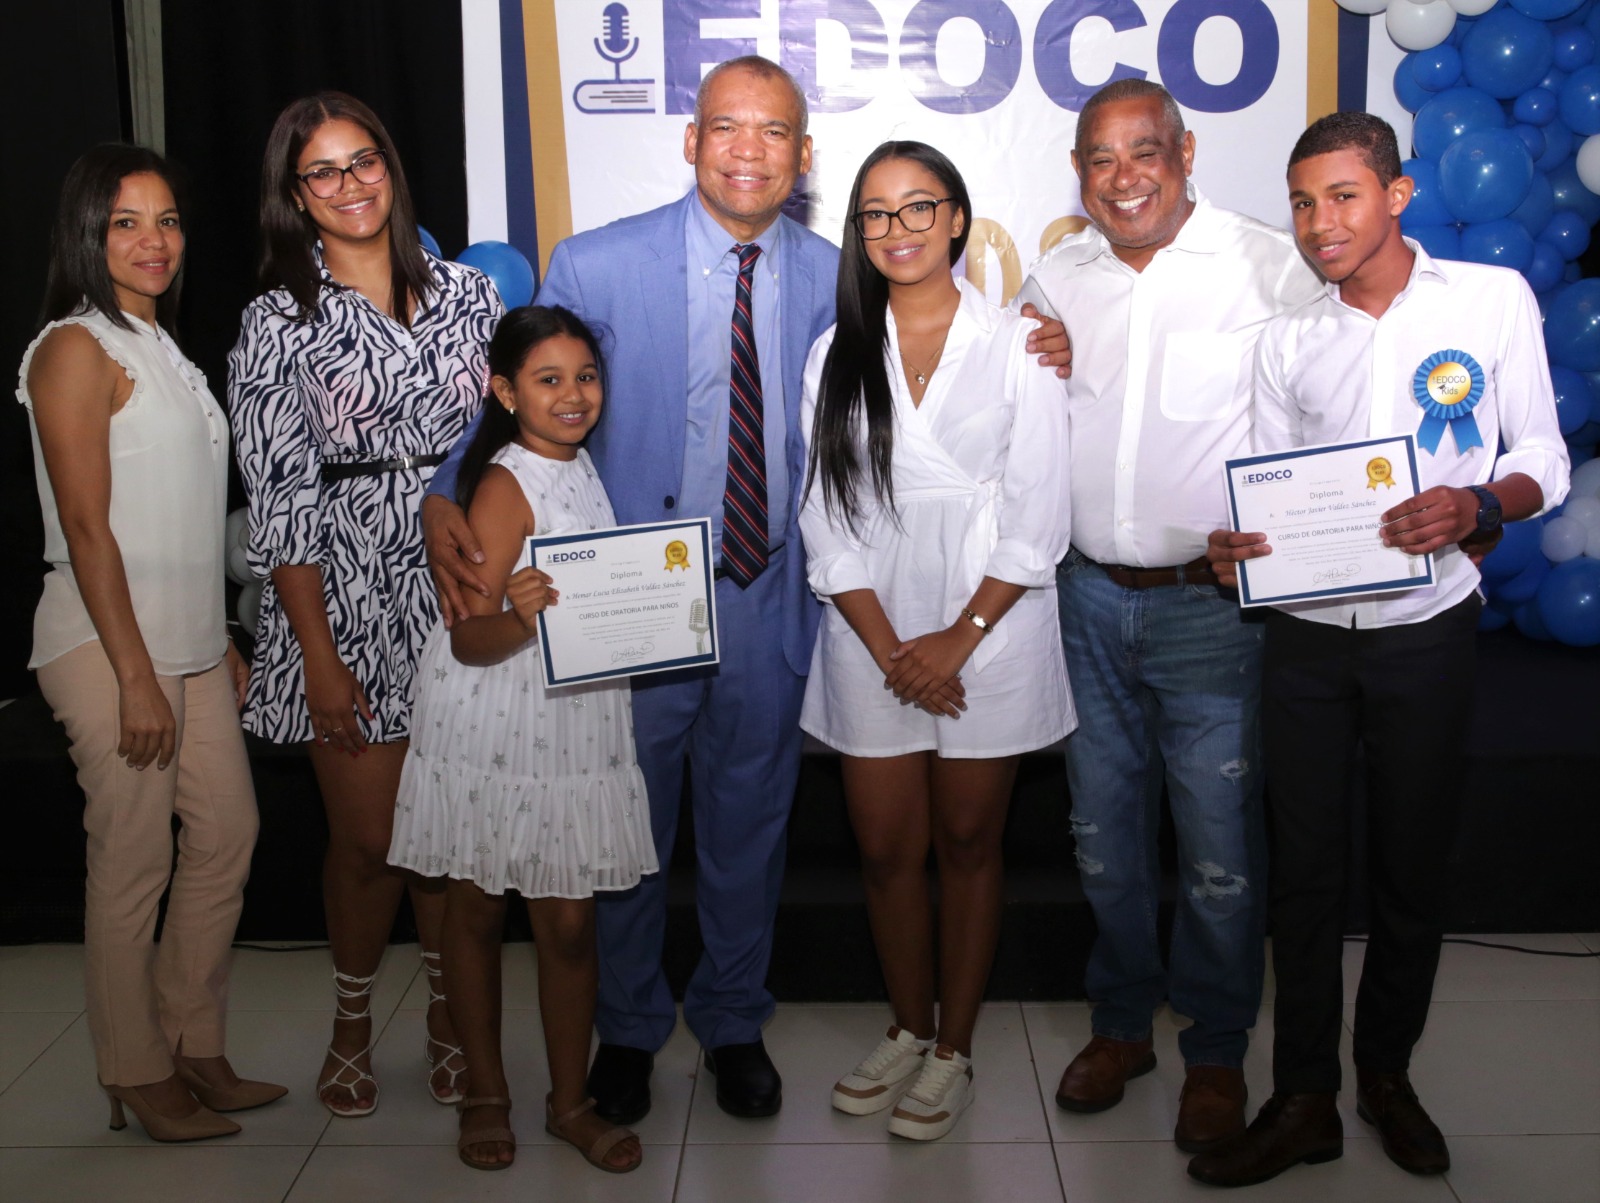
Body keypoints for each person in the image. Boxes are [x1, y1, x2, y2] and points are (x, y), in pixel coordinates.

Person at [423, 56, 1072, 1122]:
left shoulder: (842, 274)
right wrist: (445, 491)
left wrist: (1050, 336)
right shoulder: (597, 262)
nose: (747, 151)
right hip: (631, 601)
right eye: (727, 126)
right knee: (626, 828)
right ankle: (629, 1028)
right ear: (692, 140)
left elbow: (950, 346)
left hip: (773, 591)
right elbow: (526, 383)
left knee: (749, 829)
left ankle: (732, 1020)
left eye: (773, 132)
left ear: (803, 156)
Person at [1190, 112, 1570, 1188]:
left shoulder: (1489, 300)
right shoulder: (1286, 341)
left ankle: (1387, 1078)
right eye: (1302, 202)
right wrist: (1237, 551)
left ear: (1397, 196)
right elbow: (1267, 496)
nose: (1320, 222)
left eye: (1343, 195)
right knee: (1303, 880)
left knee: (1410, 869)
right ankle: (1303, 1097)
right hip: (1305, 644)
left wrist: (1477, 503)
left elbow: (1544, 457)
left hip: (1427, 632)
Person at [1014, 78, 1323, 1152]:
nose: (1123, 177)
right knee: (1101, 835)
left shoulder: (1268, 263)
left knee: (1217, 845)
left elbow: (1325, 409)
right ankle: (1120, 1025)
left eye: (1143, 151)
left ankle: (1217, 1047)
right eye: (1100, 159)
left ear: (1186, 154)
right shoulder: (1058, 276)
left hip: (1212, 609)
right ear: (1079, 174)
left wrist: (1294, 522)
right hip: (1085, 597)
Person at [229, 92, 500, 1117]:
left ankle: (447, 1014)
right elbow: (280, 502)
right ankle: (351, 1021)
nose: (349, 185)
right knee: (372, 841)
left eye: (364, 161)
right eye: (323, 171)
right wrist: (319, 656)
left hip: (462, 589)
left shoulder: (472, 296)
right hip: (341, 596)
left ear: (391, 166)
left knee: (454, 839)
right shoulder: (275, 321)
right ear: (295, 196)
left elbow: (516, 440)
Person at [801, 142, 1072, 1140]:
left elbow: (1040, 515)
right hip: (868, 629)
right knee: (884, 850)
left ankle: (953, 1046)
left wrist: (957, 637)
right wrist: (892, 651)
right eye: (875, 213)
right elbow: (825, 519)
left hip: (991, 626)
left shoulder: (1019, 343)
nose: (897, 229)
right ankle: (906, 1026)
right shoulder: (834, 353)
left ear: (957, 218)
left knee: (966, 843)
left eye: (919, 207)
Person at [20, 144, 285, 1141]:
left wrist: (217, 634)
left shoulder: (160, 345)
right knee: (134, 864)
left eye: (167, 220)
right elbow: (87, 529)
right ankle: (133, 1068)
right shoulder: (74, 347)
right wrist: (135, 673)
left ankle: (190, 1040)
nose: (154, 240)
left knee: (227, 836)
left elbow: (175, 517)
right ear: (87, 234)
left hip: (188, 645)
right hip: (106, 648)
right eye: (126, 222)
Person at [389, 306, 656, 1172]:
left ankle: (569, 1101)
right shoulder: (506, 483)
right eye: (548, 379)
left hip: (573, 720)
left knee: (570, 923)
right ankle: (485, 1091)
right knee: (475, 908)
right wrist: (523, 616)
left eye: (586, 376)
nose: (573, 395)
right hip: (497, 715)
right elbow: (470, 638)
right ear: (504, 392)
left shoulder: (583, 466)